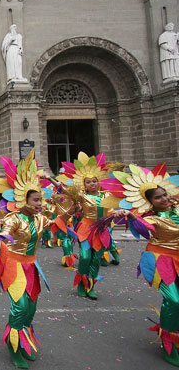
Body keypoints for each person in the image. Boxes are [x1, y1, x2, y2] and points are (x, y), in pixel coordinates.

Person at [0, 150, 73, 369]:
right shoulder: (14, 219)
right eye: (36, 200)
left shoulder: (41, 218)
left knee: (31, 308)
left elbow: (58, 221)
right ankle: (14, 348)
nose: (40, 203)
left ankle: (24, 340)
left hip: (31, 265)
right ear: (24, 200)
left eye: (41, 199)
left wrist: (72, 207)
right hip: (13, 264)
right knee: (20, 306)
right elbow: (1, 237)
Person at [102, 163, 179, 366]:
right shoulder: (152, 217)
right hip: (161, 260)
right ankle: (168, 341)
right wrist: (127, 214)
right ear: (150, 202)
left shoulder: (177, 210)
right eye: (158, 197)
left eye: (164, 194)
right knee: (174, 300)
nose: (163, 198)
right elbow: (143, 225)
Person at [54, 152, 115, 300]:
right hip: (86, 229)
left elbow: (118, 201)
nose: (92, 184)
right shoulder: (82, 195)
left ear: (98, 182)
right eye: (88, 182)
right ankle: (82, 282)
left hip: (101, 231)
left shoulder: (106, 196)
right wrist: (50, 179)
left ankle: (91, 286)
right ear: (84, 185)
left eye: (94, 181)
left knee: (96, 260)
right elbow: (65, 190)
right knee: (86, 257)